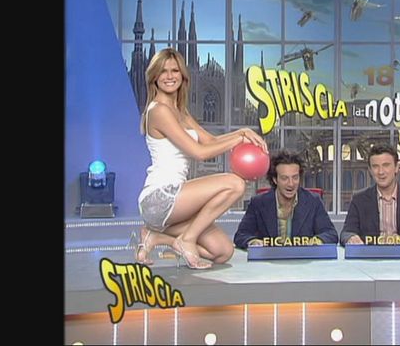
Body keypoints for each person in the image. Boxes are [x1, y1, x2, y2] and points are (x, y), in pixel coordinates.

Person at [134, 48, 268, 269]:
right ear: (154, 77)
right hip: (160, 198)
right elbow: (199, 152)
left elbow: (209, 141)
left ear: (183, 75)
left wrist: (242, 132)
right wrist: (239, 139)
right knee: (235, 183)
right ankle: (187, 239)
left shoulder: (180, 111)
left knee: (222, 252)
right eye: (163, 71)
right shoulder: (158, 111)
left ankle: (156, 238)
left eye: (175, 70)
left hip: (179, 200)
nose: (169, 76)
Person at [233, 150, 338, 249]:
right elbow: (241, 235)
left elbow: (330, 234)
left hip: (303, 260)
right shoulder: (258, 203)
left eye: (295, 177)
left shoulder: (313, 201)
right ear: (275, 179)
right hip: (269, 260)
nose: (291, 184)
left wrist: (317, 241)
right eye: (284, 178)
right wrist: (253, 242)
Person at [340, 143, 400, 246]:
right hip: (371, 254)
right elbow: (346, 232)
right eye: (375, 166)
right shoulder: (359, 199)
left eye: (386, 165)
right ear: (370, 170)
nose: (381, 172)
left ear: (396, 167)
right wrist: (351, 238)